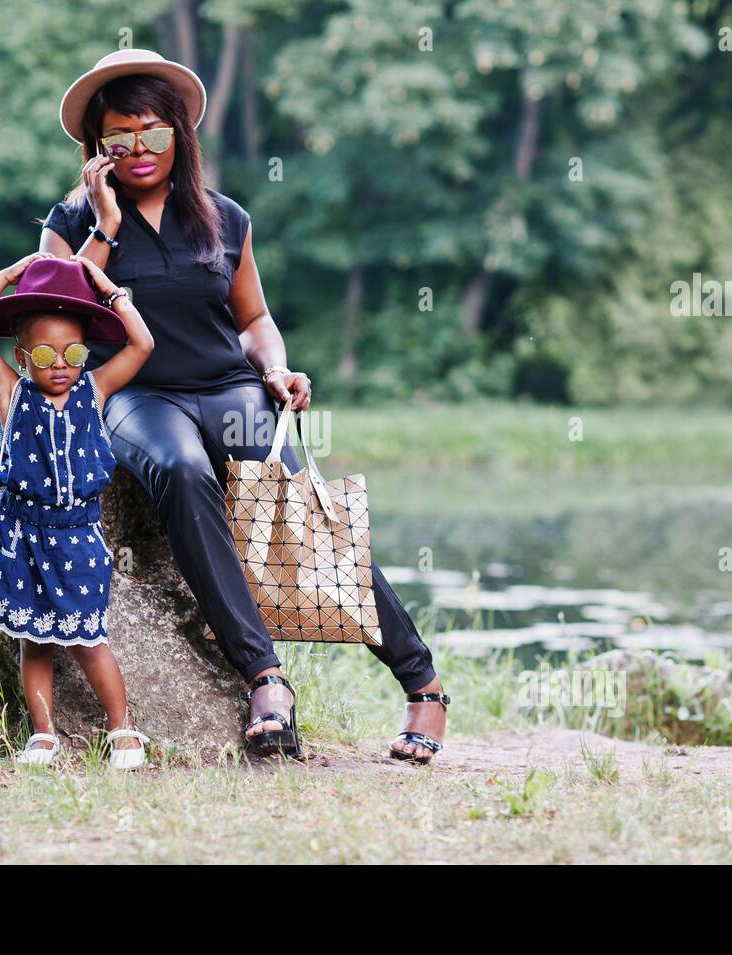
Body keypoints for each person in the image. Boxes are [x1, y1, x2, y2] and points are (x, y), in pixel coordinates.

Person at [41, 49, 450, 763]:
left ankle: (423, 685)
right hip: (134, 391)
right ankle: (266, 677)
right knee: (181, 468)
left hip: (228, 385)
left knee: (294, 499)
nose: (138, 151)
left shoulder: (223, 218)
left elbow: (254, 318)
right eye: (120, 138)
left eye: (153, 133)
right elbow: (59, 314)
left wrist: (278, 366)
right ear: (96, 148)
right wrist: (103, 225)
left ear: (179, 134)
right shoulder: (71, 219)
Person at [0, 249, 156, 768]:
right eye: (45, 357)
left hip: (78, 536)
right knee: (34, 641)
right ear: (23, 358)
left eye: (74, 354)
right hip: (24, 536)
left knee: (90, 638)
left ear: (87, 354)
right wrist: (5, 276)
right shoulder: (12, 394)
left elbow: (143, 343)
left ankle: (124, 731)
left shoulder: (96, 389)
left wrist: (108, 288)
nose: (62, 366)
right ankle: (43, 734)